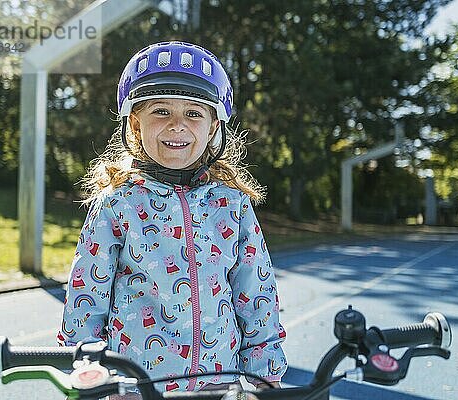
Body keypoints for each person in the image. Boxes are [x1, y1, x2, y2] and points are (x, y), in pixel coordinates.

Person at [57, 41, 287, 395]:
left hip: (217, 385)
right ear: (135, 126)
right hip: (134, 386)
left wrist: (265, 368)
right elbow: (86, 297)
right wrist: (87, 370)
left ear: (212, 129)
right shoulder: (117, 205)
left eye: (194, 114)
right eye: (161, 111)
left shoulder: (233, 205)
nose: (177, 125)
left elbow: (256, 292)